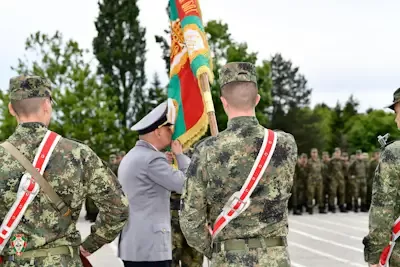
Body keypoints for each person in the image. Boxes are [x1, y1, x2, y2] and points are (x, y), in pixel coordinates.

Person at [0, 75, 129, 266]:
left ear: (11, 109)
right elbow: (118, 208)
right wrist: (89, 246)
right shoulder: (78, 154)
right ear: (47, 105)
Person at [179, 62, 297, 266]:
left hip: (228, 259)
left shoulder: (207, 149)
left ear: (223, 102)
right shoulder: (285, 144)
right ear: (257, 99)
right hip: (275, 259)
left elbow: (190, 219)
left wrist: (216, 249)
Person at [118, 98, 189, 267]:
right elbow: (188, 185)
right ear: (158, 131)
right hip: (151, 248)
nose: (172, 133)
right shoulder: (152, 159)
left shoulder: (133, 156)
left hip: (135, 244)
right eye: (169, 129)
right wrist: (180, 156)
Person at [363, 87, 400, 267]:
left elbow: (383, 208)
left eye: (397, 112)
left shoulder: (395, 153)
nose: (395, 119)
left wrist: (375, 254)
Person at [306, 148, 326, 214]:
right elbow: (306, 171)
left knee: (320, 194)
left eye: (315, 153)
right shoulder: (308, 162)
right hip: (311, 181)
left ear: (317, 154)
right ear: (311, 154)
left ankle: (321, 208)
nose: (314, 154)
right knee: (310, 194)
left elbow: (323, 170)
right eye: (313, 153)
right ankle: (310, 208)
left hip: (319, 181)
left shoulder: (320, 161)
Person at [328, 148, 347, 213]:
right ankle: (331, 206)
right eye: (336, 153)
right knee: (333, 193)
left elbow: (345, 169)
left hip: (341, 179)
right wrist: (330, 177)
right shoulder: (331, 161)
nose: (337, 154)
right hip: (334, 179)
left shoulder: (342, 161)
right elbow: (328, 170)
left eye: (338, 153)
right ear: (334, 153)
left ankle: (341, 206)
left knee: (342, 193)